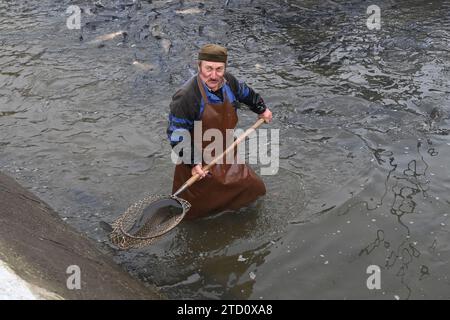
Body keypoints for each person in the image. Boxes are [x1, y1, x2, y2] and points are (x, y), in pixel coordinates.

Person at [167, 44, 272, 220]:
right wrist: (192, 162)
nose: (214, 75)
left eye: (219, 69)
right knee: (194, 214)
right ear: (199, 66)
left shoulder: (229, 82)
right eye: (208, 69)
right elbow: (177, 132)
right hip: (198, 163)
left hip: (227, 153)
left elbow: (247, 94)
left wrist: (261, 109)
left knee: (254, 189)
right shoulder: (186, 96)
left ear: (225, 68)